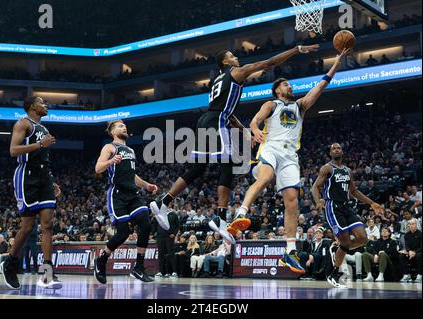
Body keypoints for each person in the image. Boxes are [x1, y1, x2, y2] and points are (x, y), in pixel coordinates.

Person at [150, 44, 320, 244]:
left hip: (206, 119)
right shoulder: (235, 72)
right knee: (228, 165)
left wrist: (244, 131)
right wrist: (296, 50)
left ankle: (163, 201)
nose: (236, 57)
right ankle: (221, 218)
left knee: (197, 168)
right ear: (225, 62)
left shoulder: (217, 80)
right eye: (231, 55)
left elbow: (227, 112)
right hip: (216, 122)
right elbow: (269, 63)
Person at [233, 48, 351, 275]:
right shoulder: (271, 104)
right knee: (266, 177)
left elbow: (322, 84)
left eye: (289, 85)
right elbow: (255, 121)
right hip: (271, 147)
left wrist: (336, 62)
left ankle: (290, 250)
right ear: (277, 89)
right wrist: (255, 129)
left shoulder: (300, 106)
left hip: (290, 156)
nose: (290, 86)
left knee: (292, 201)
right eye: (286, 84)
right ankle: (241, 212)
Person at [93, 120, 165, 283]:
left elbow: (132, 175)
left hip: (132, 194)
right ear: (112, 132)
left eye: (124, 126)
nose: (124, 127)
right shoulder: (110, 147)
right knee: (123, 233)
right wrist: (111, 161)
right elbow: (98, 168)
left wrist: (146, 185)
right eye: (119, 126)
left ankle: (138, 268)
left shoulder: (131, 150)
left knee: (146, 224)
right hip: (117, 194)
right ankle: (102, 259)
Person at [1, 96, 62, 290]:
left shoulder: (44, 128)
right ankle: (10, 263)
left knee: (48, 224)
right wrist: (39, 144)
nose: (46, 105)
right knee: (27, 227)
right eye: (42, 102)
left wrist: (52, 181)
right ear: (32, 106)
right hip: (27, 176)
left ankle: (47, 273)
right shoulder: (23, 123)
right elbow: (13, 150)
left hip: (44, 177)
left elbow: (45, 157)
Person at [312, 142, 383, 288]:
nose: (336, 150)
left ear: (342, 152)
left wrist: (372, 203)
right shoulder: (327, 168)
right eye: (333, 148)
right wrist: (318, 200)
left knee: (363, 238)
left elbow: (354, 192)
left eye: (339, 148)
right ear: (330, 153)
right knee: (345, 243)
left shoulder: (347, 171)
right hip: (332, 206)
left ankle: (336, 250)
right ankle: (334, 274)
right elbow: (315, 187)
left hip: (346, 207)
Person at [155, 208, 179, 278]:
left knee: (171, 254)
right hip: (160, 237)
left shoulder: (173, 214)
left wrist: (174, 234)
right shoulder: (159, 214)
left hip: (169, 237)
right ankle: (160, 272)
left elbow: (177, 226)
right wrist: (153, 233)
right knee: (160, 254)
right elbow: (155, 224)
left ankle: (174, 272)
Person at [399, 218, 422, 283]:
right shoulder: (406, 235)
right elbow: (406, 246)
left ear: (416, 225)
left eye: (413, 224)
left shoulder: (420, 234)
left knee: (419, 255)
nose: (411, 225)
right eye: (409, 224)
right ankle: (407, 274)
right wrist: (409, 251)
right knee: (402, 256)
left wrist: (415, 252)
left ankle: (419, 275)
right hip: (410, 252)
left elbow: (421, 247)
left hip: (419, 251)